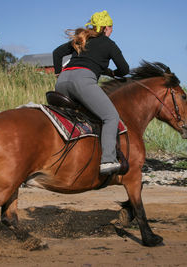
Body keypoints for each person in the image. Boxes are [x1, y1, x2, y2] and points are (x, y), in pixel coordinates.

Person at [53, 10, 129, 175]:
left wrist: (59, 73)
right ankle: (108, 160)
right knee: (111, 117)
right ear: (106, 28)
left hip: (61, 82)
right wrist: (114, 74)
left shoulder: (82, 39)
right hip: (82, 81)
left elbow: (57, 53)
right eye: (111, 27)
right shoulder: (109, 43)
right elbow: (125, 69)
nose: (111, 30)